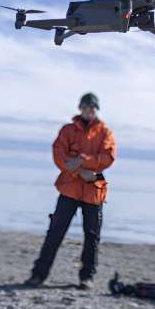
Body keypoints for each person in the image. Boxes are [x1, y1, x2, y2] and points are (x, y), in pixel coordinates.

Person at [25, 92, 116, 290]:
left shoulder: (105, 132)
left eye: (92, 108)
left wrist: (83, 160)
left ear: (96, 110)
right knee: (55, 232)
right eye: (85, 107)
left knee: (92, 236)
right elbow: (59, 155)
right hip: (70, 189)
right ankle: (38, 275)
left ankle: (87, 278)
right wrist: (79, 172)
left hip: (93, 191)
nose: (89, 110)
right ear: (80, 108)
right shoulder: (67, 130)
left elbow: (108, 157)